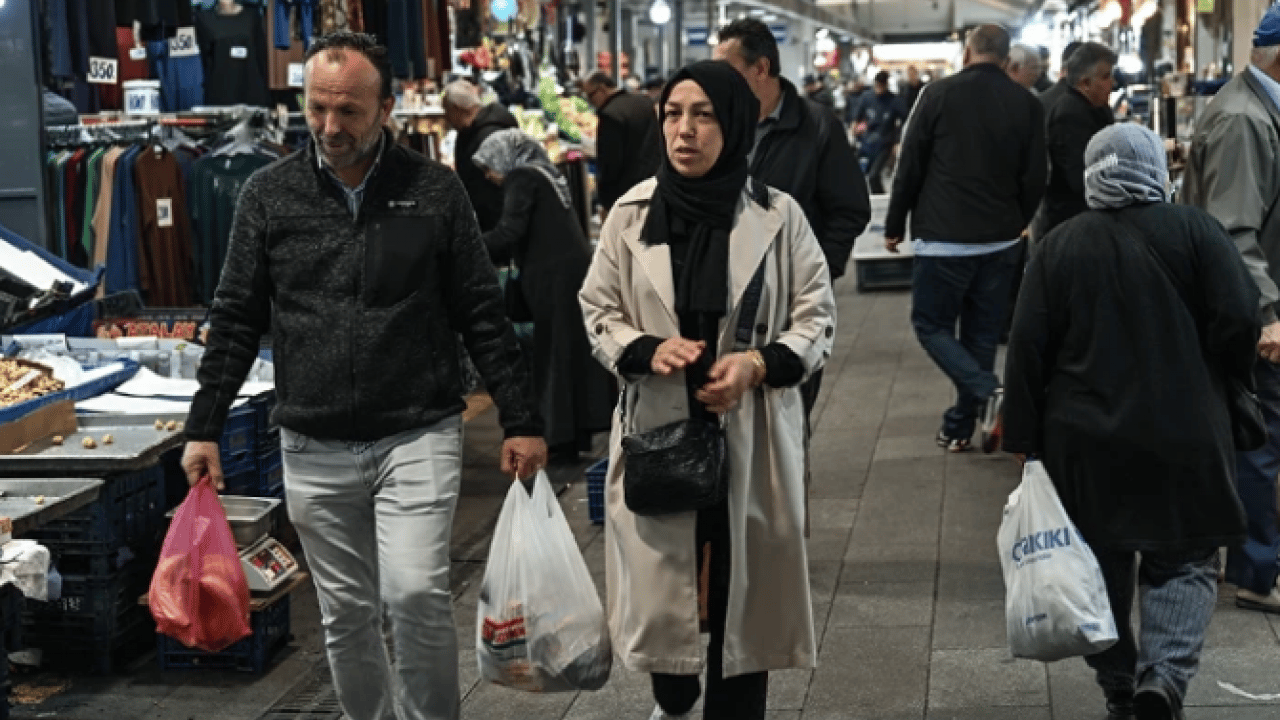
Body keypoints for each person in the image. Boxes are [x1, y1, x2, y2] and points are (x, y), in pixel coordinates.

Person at [181, 32, 547, 720]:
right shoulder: (269, 194)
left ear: (387, 108)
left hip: (416, 430)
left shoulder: (434, 192)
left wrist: (521, 418)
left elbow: (480, 310)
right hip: (313, 442)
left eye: (348, 111)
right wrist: (204, 425)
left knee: (414, 594)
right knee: (346, 613)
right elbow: (234, 317)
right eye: (317, 108)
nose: (329, 127)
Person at [579, 60, 835, 720]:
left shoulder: (779, 217)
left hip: (749, 433)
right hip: (660, 429)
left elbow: (816, 314)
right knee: (663, 596)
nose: (684, 130)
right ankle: (674, 694)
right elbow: (598, 308)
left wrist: (758, 364)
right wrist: (645, 349)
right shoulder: (630, 215)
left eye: (703, 115)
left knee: (741, 601)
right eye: (673, 114)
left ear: (735, 124)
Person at [1004, 123, 1258, 720]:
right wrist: (1223, 371)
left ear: (1092, 176)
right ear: (1155, 170)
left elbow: (1026, 348)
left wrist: (1022, 438)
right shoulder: (1198, 230)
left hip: (1085, 444)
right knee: (1187, 559)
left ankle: (1120, 685)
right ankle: (1162, 681)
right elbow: (1240, 318)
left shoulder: (1060, 245)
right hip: (1187, 434)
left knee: (1099, 566)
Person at [884, 24, 1047, 453]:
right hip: (1000, 241)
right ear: (1007, 58)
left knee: (931, 325)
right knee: (980, 335)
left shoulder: (937, 95)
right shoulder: (1026, 104)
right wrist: (1019, 220)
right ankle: (960, 425)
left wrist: (894, 223)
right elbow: (1036, 175)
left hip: (944, 240)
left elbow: (911, 164)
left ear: (967, 51)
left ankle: (989, 392)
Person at [714, 17, 870, 422]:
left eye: (726, 70)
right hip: (723, 297)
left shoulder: (815, 127)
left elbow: (850, 207)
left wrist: (818, 275)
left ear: (760, 69)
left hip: (788, 300)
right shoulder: (718, 125)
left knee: (787, 420)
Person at [1180, 2, 1280, 614]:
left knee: (1258, 435)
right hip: (1250, 314)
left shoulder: (1257, 107)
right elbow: (1233, 233)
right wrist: (1267, 315)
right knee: (1260, 437)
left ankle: (1253, 555)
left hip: (1251, 307)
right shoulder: (1246, 119)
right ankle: (1257, 571)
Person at [472, 128, 615, 462]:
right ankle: (574, 433)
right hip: (570, 273)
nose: (490, 176)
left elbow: (510, 232)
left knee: (553, 356)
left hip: (551, 277)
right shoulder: (545, 172)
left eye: (489, 166)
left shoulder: (521, 177)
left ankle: (559, 436)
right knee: (569, 353)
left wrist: (465, 247)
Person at [1033, 42, 1116, 242]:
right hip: (1071, 226)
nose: (1112, 83)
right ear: (1085, 83)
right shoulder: (1070, 114)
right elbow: (1080, 179)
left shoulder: (1096, 108)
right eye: (1105, 77)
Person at [580, 70, 662, 215]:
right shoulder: (643, 102)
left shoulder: (611, 114)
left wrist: (605, 203)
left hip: (625, 197)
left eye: (590, 95)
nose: (590, 101)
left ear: (602, 89)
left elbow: (610, 164)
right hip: (654, 188)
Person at [442, 79, 518, 231]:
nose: (446, 118)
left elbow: (498, 190)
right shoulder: (468, 132)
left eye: (447, 111)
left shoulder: (490, 135)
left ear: (457, 109)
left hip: (500, 227)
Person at [851, 70, 907, 194]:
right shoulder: (866, 97)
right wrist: (854, 128)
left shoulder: (895, 100)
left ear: (886, 85)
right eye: (877, 86)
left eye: (882, 86)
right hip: (867, 142)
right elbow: (857, 116)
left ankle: (881, 199)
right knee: (857, 175)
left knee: (873, 176)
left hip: (885, 143)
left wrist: (898, 142)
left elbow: (905, 122)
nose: (879, 89)